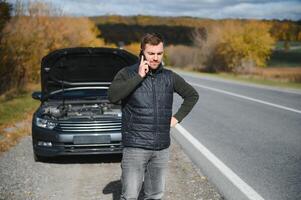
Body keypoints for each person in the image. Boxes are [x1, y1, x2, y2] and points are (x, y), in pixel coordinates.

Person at [108, 33, 199, 200]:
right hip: (135, 146)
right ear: (142, 52)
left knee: (155, 196)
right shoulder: (127, 74)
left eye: (159, 53)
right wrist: (139, 77)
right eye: (151, 54)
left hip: (161, 148)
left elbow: (192, 95)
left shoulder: (169, 77)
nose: (155, 58)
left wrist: (177, 118)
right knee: (129, 196)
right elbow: (113, 96)